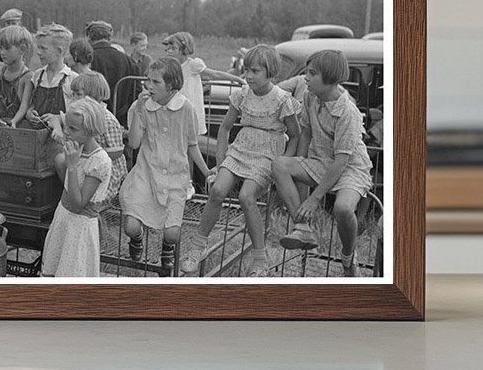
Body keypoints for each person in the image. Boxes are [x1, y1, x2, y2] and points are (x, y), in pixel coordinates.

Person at [179, 45, 299, 278]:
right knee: (217, 190)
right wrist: (221, 162)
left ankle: (260, 258)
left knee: (246, 197)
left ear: (271, 72)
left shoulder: (282, 99)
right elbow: (224, 129)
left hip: (267, 152)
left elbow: (294, 135)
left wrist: (283, 166)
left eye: (255, 71)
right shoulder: (242, 94)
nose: (249, 76)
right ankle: (198, 246)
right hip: (241, 147)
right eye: (246, 71)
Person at [272, 49, 373, 277]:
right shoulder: (310, 97)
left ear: (330, 78)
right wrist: (300, 165)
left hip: (349, 167)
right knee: (280, 164)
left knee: (343, 208)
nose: (305, 78)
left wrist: (314, 198)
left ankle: (348, 256)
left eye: (312, 74)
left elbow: (342, 160)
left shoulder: (348, 112)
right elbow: (306, 133)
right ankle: (303, 229)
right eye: (307, 72)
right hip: (321, 160)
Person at [119, 58, 212, 277]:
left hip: (175, 177)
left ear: (171, 85)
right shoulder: (140, 106)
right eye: (147, 80)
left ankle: (167, 246)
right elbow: (133, 144)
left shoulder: (186, 107)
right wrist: (139, 111)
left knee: (172, 234)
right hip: (145, 173)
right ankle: (137, 238)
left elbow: (192, 144)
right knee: (131, 226)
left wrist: (206, 171)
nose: (148, 86)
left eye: (155, 82)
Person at [41, 99, 112, 278]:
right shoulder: (75, 149)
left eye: (73, 129)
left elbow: (77, 204)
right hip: (63, 220)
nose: (66, 132)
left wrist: (72, 166)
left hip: (79, 230)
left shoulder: (100, 161)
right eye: (67, 126)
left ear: (89, 131)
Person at [161, 31, 243, 138]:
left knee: (187, 138)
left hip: (187, 108)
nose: (169, 51)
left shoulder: (193, 65)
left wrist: (238, 79)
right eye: (168, 48)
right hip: (172, 107)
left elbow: (215, 74)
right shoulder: (169, 66)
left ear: (183, 50)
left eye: (174, 48)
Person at [69, 71, 127, 201]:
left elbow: (117, 152)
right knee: (61, 161)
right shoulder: (80, 115)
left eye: (78, 94)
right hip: (86, 164)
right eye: (73, 94)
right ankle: (74, 195)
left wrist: (92, 155)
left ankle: (81, 201)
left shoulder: (107, 119)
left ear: (93, 96)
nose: (74, 98)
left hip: (106, 173)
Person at [17, 23, 75, 140]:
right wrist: (29, 113)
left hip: (60, 139)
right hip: (35, 137)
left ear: (59, 51)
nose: (38, 52)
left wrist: (59, 118)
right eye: (38, 47)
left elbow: (77, 115)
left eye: (43, 48)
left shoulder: (72, 79)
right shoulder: (37, 76)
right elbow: (32, 103)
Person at [0, 24, 34, 126]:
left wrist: (14, 121)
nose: (2, 53)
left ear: (22, 49)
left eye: (7, 48)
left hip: (16, 125)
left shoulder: (28, 77)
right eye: (1, 48)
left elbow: (24, 105)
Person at [86, 21, 138, 120]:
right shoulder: (128, 60)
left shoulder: (86, 59)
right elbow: (135, 92)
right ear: (110, 38)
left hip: (91, 117)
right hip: (121, 119)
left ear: (89, 37)